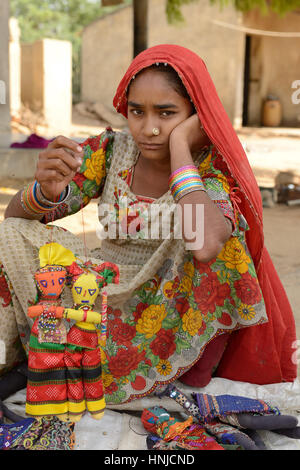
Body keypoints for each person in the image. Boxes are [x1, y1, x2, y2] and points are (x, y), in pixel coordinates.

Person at [0, 44, 297, 407]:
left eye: (167, 113)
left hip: (164, 308)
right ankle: (27, 356)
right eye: (137, 111)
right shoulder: (111, 151)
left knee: (221, 242)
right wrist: (44, 192)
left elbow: (206, 245)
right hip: (101, 292)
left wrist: (182, 149)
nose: (150, 128)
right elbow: (14, 222)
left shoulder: (210, 169)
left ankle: (170, 367)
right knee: (7, 235)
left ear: (196, 116)